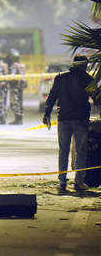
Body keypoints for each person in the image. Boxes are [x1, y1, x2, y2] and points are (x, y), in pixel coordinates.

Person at [43, 54, 93, 192]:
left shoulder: (61, 78)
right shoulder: (88, 79)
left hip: (64, 118)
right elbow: (96, 98)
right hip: (81, 119)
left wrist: (46, 114)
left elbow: (52, 97)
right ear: (84, 65)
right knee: (80, 151)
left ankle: (62, 182)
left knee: (63, 151)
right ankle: (79, 181)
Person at [8, 49, 27, 125]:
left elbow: (12, 76)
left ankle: (17, 119)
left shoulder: (14, 66)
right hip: (20, 87)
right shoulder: (22, 65)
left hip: (14, 86)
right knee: (20, 102)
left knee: (15, 103)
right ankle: (20, 119)